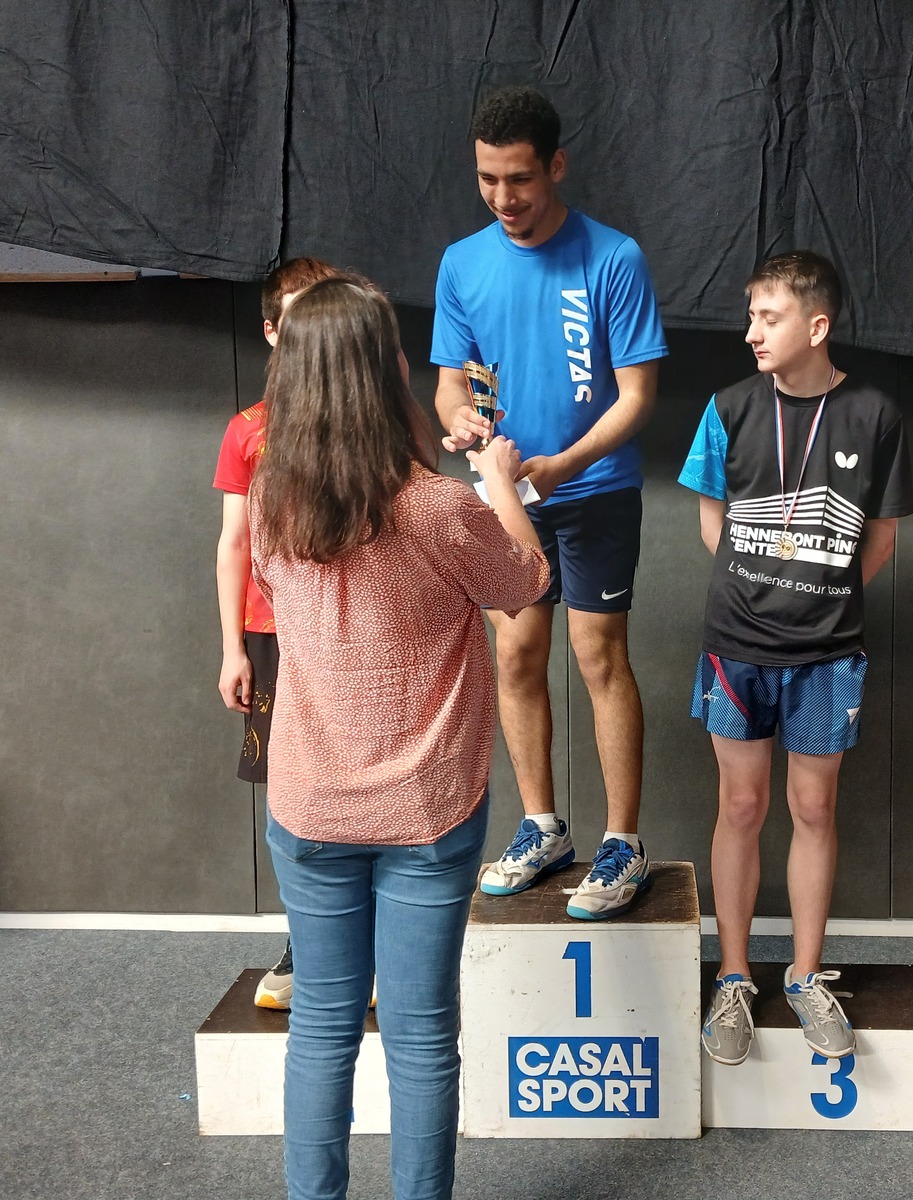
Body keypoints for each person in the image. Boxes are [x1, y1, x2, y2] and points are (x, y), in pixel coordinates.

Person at [251, 277, 548, 1200]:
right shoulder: (434, 507)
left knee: (322, 1027)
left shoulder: (269, 502)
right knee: (420, 1037)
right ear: (383, 372)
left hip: (309, 805)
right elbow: (524, 582)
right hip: (427, 811)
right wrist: (501, 483)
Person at [431, 84, 669, 920]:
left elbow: (638, 396)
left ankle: (623, 841)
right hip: (506, 494)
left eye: (520, 179)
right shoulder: (462, 263)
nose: (504, 197)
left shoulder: (613, 258)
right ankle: (542, 827)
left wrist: (566, 463)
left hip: (593, 487)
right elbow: (450, 383)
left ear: (556, 166)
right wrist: (459, 419)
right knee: (518, 655)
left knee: (598, 656)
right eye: (488, 179)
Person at [680, 251, 912, 1064]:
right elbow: (712, 521)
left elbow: (881, 537)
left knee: (814, 809)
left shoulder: (875, 414)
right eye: (751, 316)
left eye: (768, 317)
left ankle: (806, 975)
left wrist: (820, 598)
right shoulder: (728, 407)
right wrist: (760, 591)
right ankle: (734, 976)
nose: (752, 332)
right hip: (736, 646)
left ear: (817, 325)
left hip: (827, 653)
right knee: (741, 806)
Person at [214, 255, 341, 1009]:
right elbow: (234, 543)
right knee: (288, 794)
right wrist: (233, 647)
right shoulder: (248, 431)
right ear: (270, 331)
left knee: (356, 783)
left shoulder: (366, 424)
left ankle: (372, 942)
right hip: (271, 635)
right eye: (297, 317)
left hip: (349, 633)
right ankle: (308, 943)